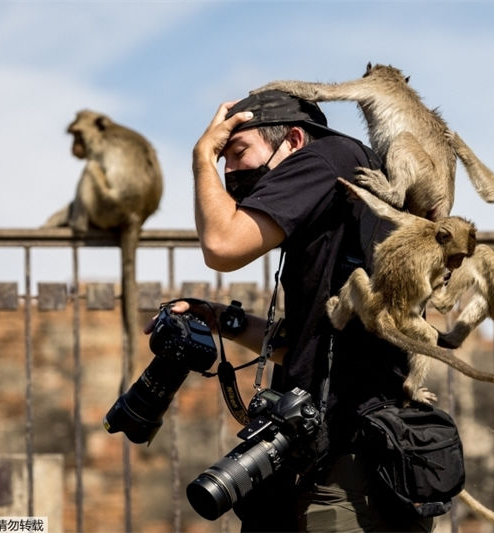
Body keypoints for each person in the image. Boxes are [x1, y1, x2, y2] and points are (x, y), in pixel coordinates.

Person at [181, 90, 433, 532]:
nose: (229, 171)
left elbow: (221, 245)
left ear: (294, 141)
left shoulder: (324, 158)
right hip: (336, 445)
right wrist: (222, 318)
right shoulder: (336, 192)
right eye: (221, 161)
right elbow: (309, 346)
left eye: (237, 152)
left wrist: (202, 157)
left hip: (349, 450)